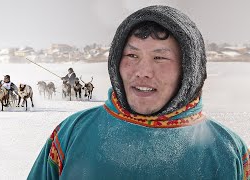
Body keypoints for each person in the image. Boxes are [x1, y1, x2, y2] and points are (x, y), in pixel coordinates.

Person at [28, 5, 249, 179]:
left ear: (189, 69)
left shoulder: (228, 151)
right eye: (132, 56)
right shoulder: (71, 133)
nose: (142, 72)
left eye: (160, 57)